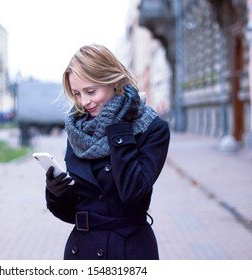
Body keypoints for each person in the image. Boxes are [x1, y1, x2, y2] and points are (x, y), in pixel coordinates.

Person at [44, 43, 170, 260]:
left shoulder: (151, 128)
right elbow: (70, 213)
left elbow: (133, 194)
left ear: (113, 81)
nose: (84, 102)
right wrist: (57, 192)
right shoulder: (78, 130)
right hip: (81, 250)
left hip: (128, 251)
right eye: (77, 93)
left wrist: (120, 127)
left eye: (91, 91)